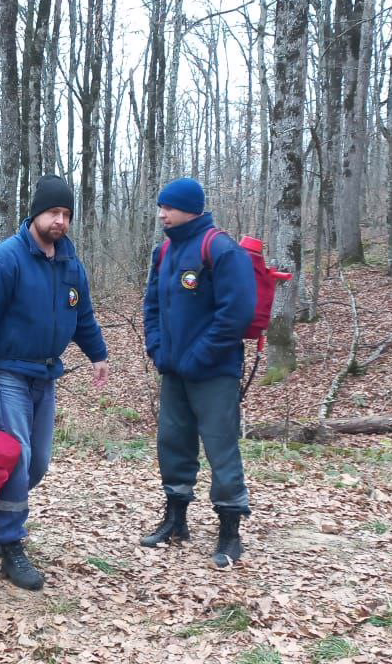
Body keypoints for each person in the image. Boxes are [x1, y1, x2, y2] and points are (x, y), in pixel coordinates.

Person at [0, 174, 110, 591]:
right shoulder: (3, 260)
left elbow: (83, 317)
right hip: (6, 373)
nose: (60, 221)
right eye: (53, 212)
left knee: (37, 462)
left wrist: (98, 354)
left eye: (66, 214)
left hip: (45, 376)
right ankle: (9, 544)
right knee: (16, 458)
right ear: (35, 214)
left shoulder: (71, 266)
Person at [141, 177, 256, 569]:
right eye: (161, 207)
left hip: (215, 372)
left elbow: (236, 314)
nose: (162, 214)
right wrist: (157, 348)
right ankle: (176, 520)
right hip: (173, 371)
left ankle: (230, 532)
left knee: (221, 449)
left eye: (168, 208)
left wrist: (198, 356)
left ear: (190, 209)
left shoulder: (220, 249)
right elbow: (152, 307)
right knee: (172, 443)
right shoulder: (164, 252)